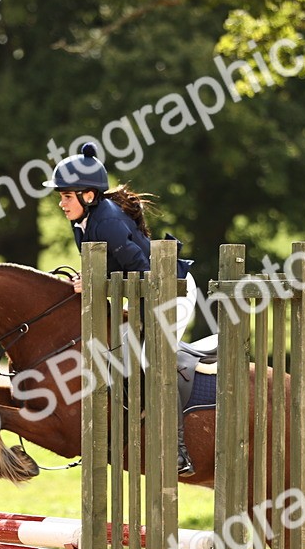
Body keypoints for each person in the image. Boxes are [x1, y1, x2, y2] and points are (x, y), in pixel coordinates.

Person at [45, 142, 199, 476]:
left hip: (172, 292)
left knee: (150, 359)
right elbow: (105, 270)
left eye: (66, 196)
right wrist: (88, 278)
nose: (61, 203)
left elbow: (145, 274)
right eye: (60, 196)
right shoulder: (83, 222)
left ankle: (178, 451)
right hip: (144, 296)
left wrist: (98, 282)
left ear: (88, 195)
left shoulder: (109, 223)